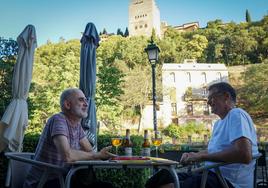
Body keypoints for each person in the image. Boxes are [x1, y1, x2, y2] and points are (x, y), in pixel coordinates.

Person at [146, 82, 259, 188]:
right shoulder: (218, 123)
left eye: (211, 98)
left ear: (226, 96)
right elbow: (214, 151)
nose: (208, 102)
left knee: (168, 185)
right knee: (158, 179)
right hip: (209, 174)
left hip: (227, 182)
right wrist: (193, 155)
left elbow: (244, 154)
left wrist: (201, 157)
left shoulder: (236, 114)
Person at [23, 88, 115, 188]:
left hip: (64, 179)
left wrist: (107, 158)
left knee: (107, 186)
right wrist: (97, 155)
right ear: (67, 105)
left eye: (86, 100)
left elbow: (90, 153)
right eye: (81, 100)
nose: (86, 104)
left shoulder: (77, 126)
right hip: (44, 182)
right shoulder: (58, 120)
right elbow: (67, 156)